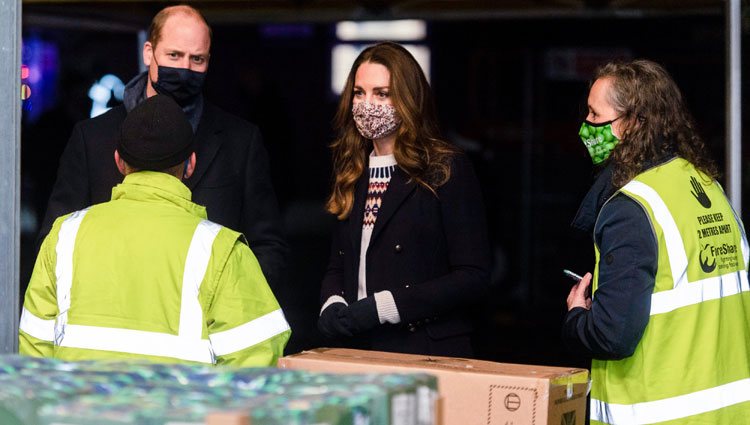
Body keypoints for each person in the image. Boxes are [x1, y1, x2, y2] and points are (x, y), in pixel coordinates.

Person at [19, 94, 290, 366]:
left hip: (78, 408)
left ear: (119, 162)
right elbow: (255, 364)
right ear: (190, 164)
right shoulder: (222, 250)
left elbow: (35, 355)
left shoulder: (64, 236)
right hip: (180, 409)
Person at [37, 5, 288, 292]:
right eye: (174, 55)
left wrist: (230, 300)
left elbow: (268, 246)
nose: (184, 69)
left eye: (197, 59)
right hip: (115, 318)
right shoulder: (92, 138)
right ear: (148, 52)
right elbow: (55, 241)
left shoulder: (240, 141)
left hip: (208, 326)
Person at [563, 59, 750, 424]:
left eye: (594, 114)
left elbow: (612, 335)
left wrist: (576, 317)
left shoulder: (632, 207)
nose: (587, 126)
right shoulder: (707, 188)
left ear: (632, 123)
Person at [317, 42, 491, 357]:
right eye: (359, 92)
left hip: (425, 350)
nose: (367, 104)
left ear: (407, 98)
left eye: (382, 93)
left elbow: (473, 276)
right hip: (362, 348)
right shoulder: (353, 168)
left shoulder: (445, 168)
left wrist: (386, 306)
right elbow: (337, 264)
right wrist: (332, 303)